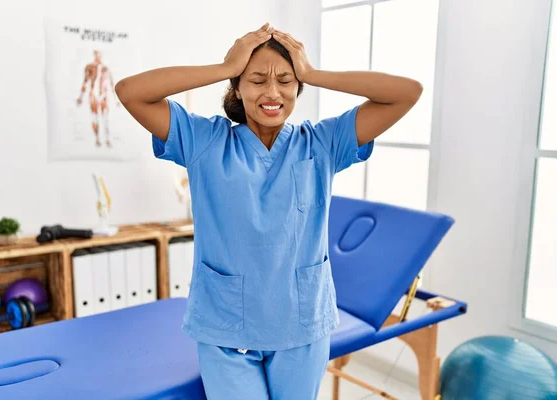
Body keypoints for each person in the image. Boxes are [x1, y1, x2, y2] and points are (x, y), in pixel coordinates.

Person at [115, 22, 422, 400]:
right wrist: (226, 66)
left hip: (301, 326)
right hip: (225, 327)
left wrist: (312, 72)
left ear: (298, 87)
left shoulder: (323, 143)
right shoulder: (205, 141)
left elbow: (407, 93)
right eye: (257, 80)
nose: (272, 92)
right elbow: (130, 92)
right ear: (238, 87)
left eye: (286, 81)